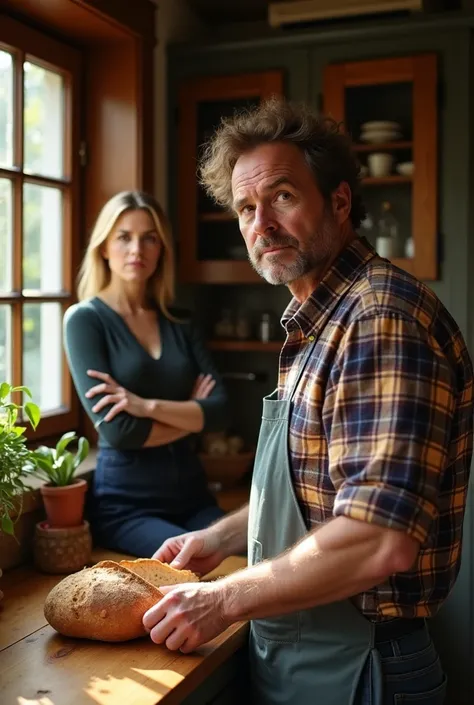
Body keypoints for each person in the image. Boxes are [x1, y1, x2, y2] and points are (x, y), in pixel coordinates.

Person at [142, 99, 474, 705]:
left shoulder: (379, 321)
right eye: (246, 208)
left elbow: (379, 538)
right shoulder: (319, 321)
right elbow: (318, 490)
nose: (260, 224)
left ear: (339, 202)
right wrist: (220, 539)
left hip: (365, 667)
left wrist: (222, 598)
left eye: (283, 197)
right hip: (313, 655)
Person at [64, 191, 228, 557]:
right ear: (104, 247)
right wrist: (191, 413)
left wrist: (145, 405)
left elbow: (220, 410)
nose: (136, 248)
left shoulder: (179, 322)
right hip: (127, 507)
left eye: (149, 237)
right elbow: (119, 432)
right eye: (124, 236)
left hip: (195, 498)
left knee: (257, 551)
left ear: (161, 249)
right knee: (192, 566)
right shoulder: (85, 321)